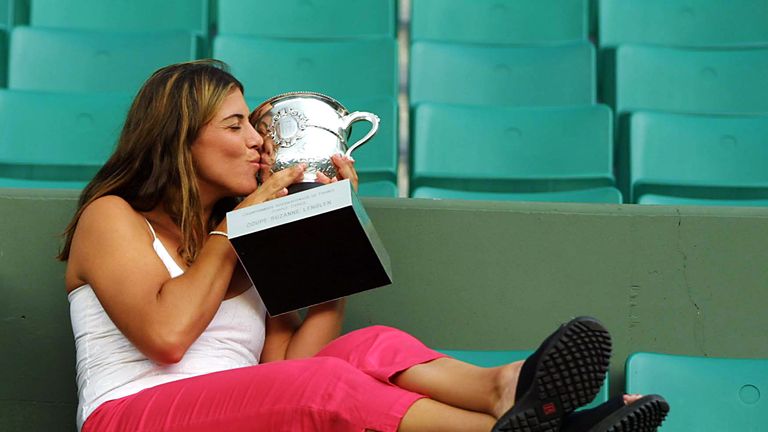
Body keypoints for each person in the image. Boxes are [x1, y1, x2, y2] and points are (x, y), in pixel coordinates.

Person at [58, 59, 669, 432]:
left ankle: (503, 388)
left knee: (372, 345)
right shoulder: (112, 219)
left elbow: (287, 374)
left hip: (235, 413)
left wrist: (330, 240)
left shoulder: (245, 245)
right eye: (236, 124)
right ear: (178, 140)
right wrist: (232, 231)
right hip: (133, 416)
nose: (257, 143)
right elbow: (166, 338)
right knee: (327, 392)